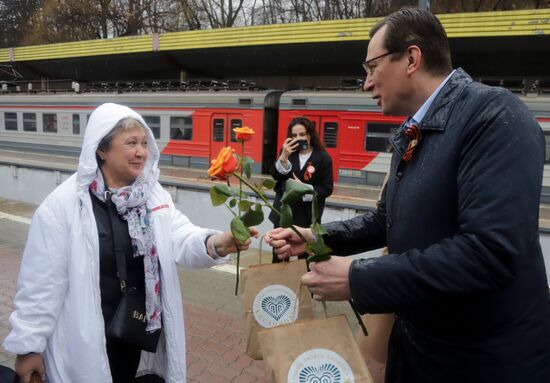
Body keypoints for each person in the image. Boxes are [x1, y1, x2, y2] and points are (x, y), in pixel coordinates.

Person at [266, 8, 550, 383]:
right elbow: (388, 220)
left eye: (371, 67)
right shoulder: (415, 131)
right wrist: (318, 237)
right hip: (424, 351)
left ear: (412, 58)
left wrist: (357, 278)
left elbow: (489, 252)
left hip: (482, 361)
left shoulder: (494, 117)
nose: (366, 84)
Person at [3, 103, 256, 383]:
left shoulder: (152, 197)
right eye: (131, 143)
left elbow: (181, 236)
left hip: (137, 333)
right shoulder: (63, 207)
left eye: (145, 143)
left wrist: (216, 244)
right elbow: (40, 285)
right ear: (101, 150)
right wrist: (28, 347)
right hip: (87, 339)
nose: (141, 152)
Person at [268, 116, 333, 263]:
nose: (298, 138)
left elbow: (326, 189)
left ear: (310, 135)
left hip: (307, 216)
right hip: (283, 213)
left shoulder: (323, 158)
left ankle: (302, 285)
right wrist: (283, 157)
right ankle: (279, 284)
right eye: (294, 135)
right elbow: (276, 175)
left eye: (302, 134)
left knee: (305, 258)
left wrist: (304, 189)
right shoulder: (287, 152)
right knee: (280, 255)